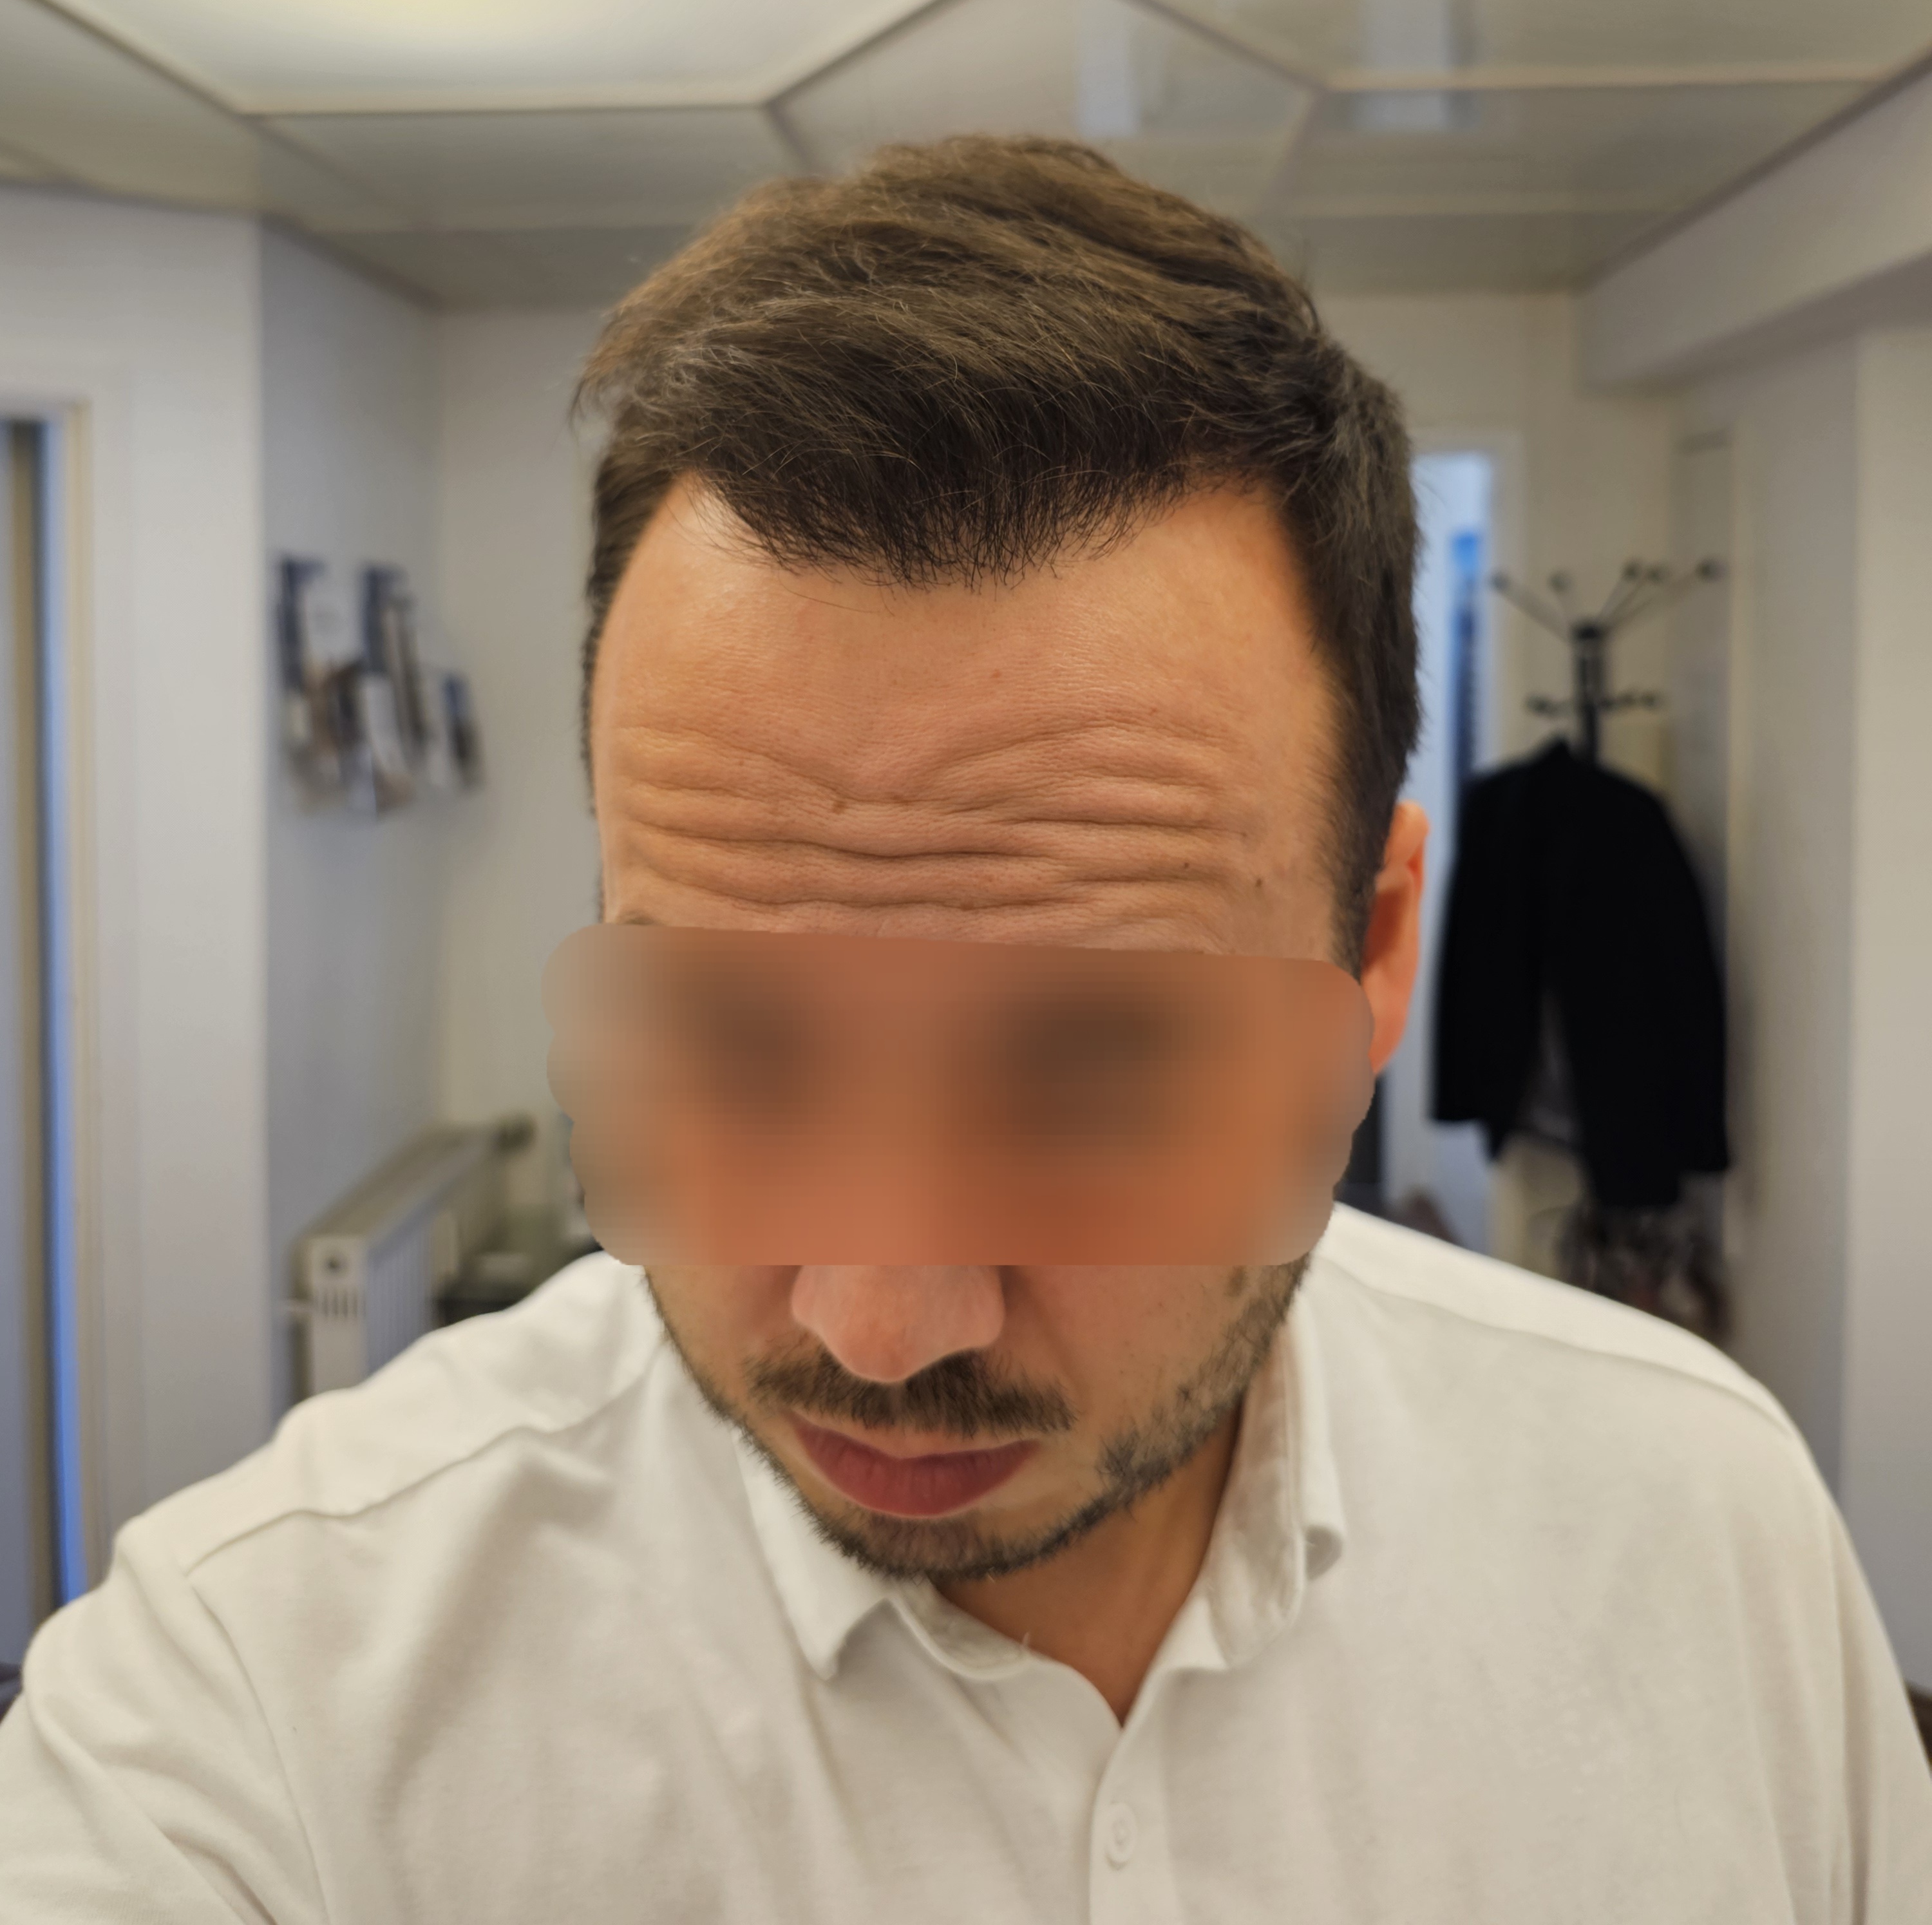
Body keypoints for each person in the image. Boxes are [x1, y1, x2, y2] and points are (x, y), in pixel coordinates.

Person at [1, 137, 1926, 1919]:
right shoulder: (263, 1700)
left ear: (1374, 953)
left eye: (1089, 1070)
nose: (880, 1321)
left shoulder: (1699, 1532)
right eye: (735, 1039)